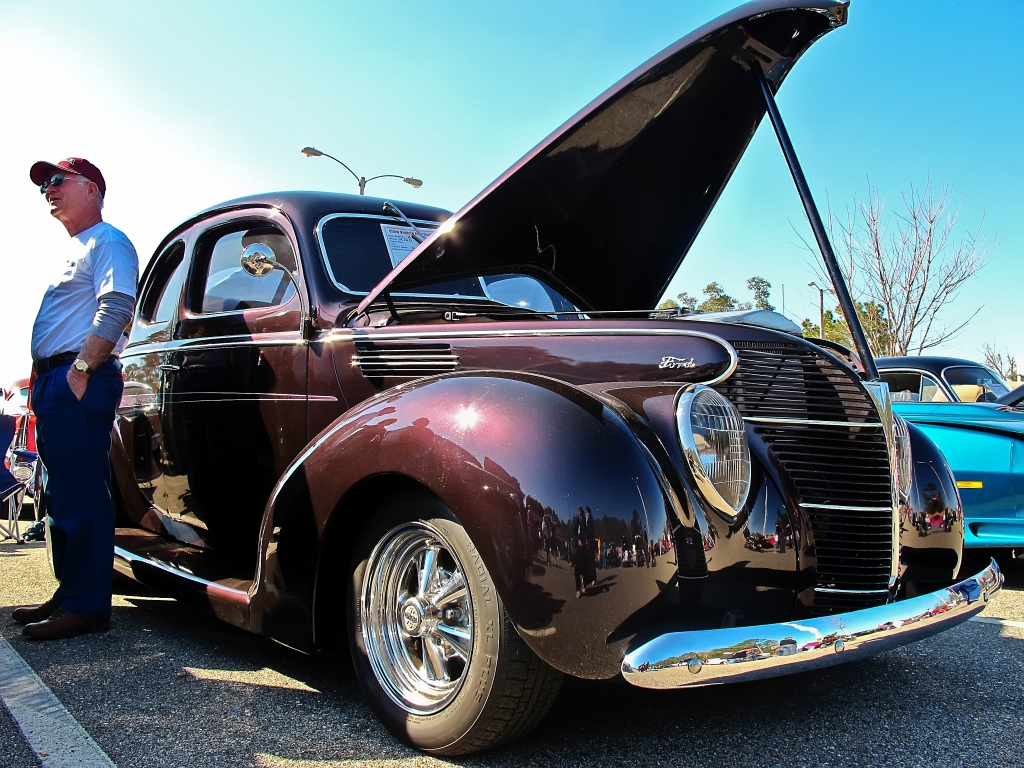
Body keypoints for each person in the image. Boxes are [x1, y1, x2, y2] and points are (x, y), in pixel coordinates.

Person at [12, 158, 139, 640]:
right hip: (56, 381)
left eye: (57, 180)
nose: (48, 189)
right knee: (62, 491)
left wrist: (82, 369)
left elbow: (117, 306)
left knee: (83, 490)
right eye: (44, 184)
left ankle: (87, 605)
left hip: (79, 378)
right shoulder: (77, 247)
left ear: (92, 189)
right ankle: (70, 594)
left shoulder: (108, 240)